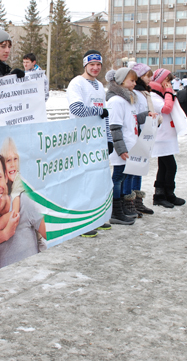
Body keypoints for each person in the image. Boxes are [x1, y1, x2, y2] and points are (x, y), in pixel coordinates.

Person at [67, 50, 112, 236]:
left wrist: (108, 138)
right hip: (81, 138)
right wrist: (96, 112)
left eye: (98, 65)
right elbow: (76, 109)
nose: (95, 68)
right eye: (92, 64)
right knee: (82, 179)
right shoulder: (77, 83)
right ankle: (81, 223)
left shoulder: (100, 86)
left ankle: (96, 217)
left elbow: (105, 114)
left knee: (96, 179)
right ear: (85, 65)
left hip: (97, 138)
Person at [0, 150, 46, 268]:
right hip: (6, 283)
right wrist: (3, 232)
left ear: (6, 177)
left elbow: (52, 235)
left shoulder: (24, 202)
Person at [105, 67, 140, 224]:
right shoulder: (116, 101)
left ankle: (121, 208)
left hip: (129, 147)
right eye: (131, 80)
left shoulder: (128, 99)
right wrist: (121, 149)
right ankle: (115, 211)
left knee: (125, 176)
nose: (134, 83)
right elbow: (114, 126)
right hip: (122, 149)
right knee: (118, 177)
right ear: (121, 81)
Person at [149, 69, 185, 207]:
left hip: (167, 135)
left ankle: (162, 194)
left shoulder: (161, 94)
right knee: (171, 166)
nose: (169, 84)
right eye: (167, 80)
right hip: (161, 136)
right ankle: (166, 193)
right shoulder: (154, 95)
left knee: (164, 167)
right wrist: (169, 92)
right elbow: (166, 108)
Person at [124, 62, 156, 216]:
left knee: (139, 169)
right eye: (146, 76)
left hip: (145, 133)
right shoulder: (135, 93)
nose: (149, 79)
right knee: (133, 169)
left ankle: (137, 201)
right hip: (137, 133)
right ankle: (130, 201)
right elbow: (135, 114)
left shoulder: (144, 92)